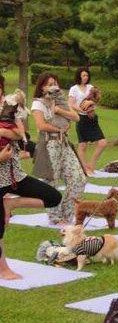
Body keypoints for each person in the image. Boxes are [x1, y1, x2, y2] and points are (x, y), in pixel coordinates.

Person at [0, 77, 63, 280]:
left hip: (15, 175)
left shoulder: (9, 108)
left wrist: (7, 132)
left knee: (53, 197)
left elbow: (22, 135)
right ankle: (3, 269)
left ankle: (11, 204)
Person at [31, 72, 86, 225]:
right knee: (51, 181)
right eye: (49, 84)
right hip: (49, 144)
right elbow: (41, 125)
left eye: (55, 83)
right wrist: (59, 129)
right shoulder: (38, 103)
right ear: (42, 87)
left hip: (64, 144)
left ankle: (67, 215)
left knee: (78, 179)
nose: (53, 87)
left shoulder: (60, 101)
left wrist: (60, 110)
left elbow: (76, 117)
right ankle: (55, 218)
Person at [68, 67, 108, 175]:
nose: (85, 77)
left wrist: (91, 104)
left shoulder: (91, 87)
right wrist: (80, 109)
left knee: (103, 143)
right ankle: (84, 168)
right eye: (83, 75)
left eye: (87, 75)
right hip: (81, 118)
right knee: (83, 145)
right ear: (79, 76)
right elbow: (71, 103)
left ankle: (91, 165)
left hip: (92, 118)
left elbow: (97, 100)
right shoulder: (74, 89)